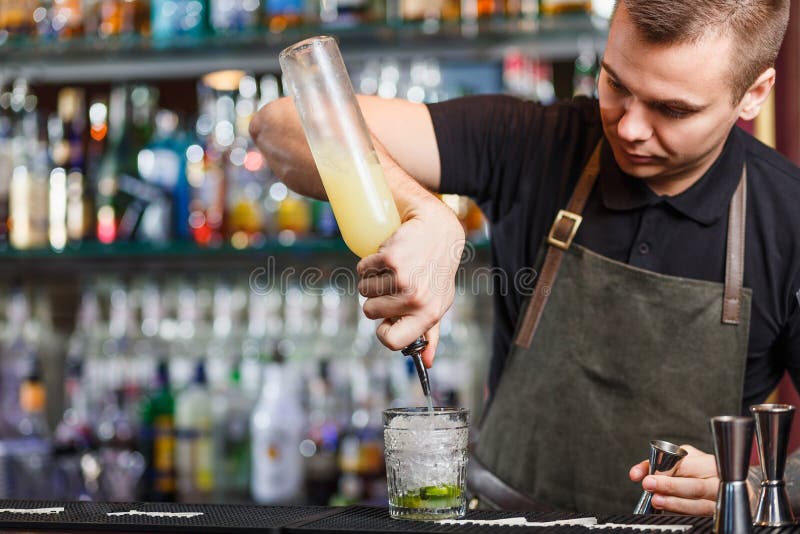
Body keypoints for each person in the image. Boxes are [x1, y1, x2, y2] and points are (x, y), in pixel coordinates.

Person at [250, 0, 800, 515]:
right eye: (615, 83)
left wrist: (759, 487)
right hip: (500, 516)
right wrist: (429, 214)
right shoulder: (533, 141)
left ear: (754, 94)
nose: (629, 127)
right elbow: (280, 125)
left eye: (672, 109)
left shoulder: (787, 220)